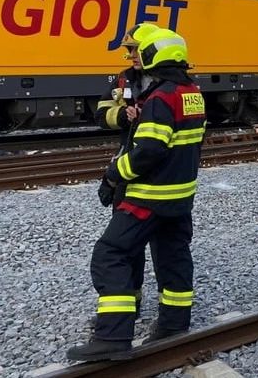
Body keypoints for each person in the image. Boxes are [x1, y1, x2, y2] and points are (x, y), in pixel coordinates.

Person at [67, 28, 206, 361]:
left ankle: (113, 336)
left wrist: (113, 176)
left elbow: (148, 152)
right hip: (179, 197)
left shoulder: (160, 98)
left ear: (152, 54)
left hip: (148, 196)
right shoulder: (192, 92)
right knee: (173, 256)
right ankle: (174, 325)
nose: (133, 56)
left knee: (111, 252)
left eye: (137, 51)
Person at [94, 22, 160, 320]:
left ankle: (168, 312)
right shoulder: (123, 81)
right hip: (128, 165)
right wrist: (123, 114)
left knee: (160, 248)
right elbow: (100, 114)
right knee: (127, 247)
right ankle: (130, 300)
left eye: (133, 49)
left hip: (151, 173)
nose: (130, 55)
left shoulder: (165, 83)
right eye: (129, 49)